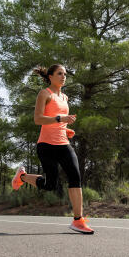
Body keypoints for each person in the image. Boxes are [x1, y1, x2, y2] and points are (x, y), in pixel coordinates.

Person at [11, 64, 94, 234]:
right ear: (50, 76)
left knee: (75, 176)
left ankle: (78, 220)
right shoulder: (44, 94)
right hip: (46, 145)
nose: (63, 76)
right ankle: (23, 176)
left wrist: (65, 128)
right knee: (50, 185)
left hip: (63, 143)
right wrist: (59, 118)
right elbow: (38, 119)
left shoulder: (65, 97)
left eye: (65, 74)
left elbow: (59, 122)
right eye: (59, 73)